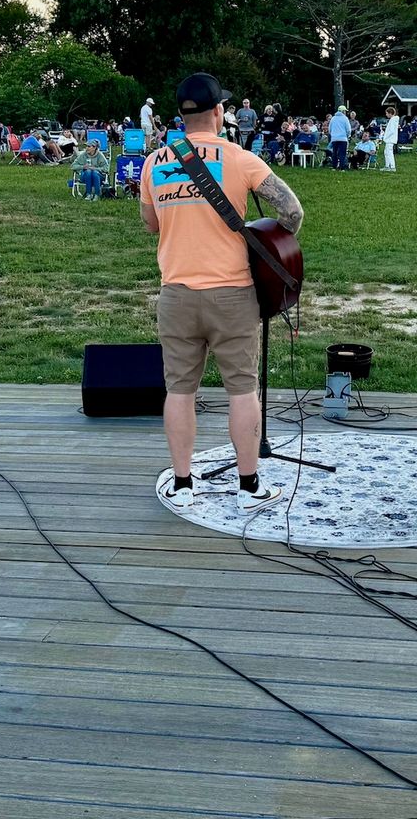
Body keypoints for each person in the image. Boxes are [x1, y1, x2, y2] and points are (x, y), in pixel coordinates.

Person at [141, 72, 304, 513]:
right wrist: (267, 239)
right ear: (218, 112)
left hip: (176, 293)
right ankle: (249, 487)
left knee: (179, 390)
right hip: (233, 294)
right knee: (242, 391)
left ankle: (182, 484)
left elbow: (151, 224)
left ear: (181, 116)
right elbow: (292, 211)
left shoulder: (154, 162)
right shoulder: (240, 158)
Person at [327, 105, 351, 171]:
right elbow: (348, 129)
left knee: (334, 153)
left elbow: (329, 129)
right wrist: (347, 135)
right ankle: (341, 167)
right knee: (342, 153)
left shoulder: (333, 118)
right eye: (345, 111)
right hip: (343, 138)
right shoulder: (345, 118)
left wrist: (333, 135)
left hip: (334, 138)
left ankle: (334, 167)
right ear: (343, 111)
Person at [380, 106, 399, 171]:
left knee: (389, 152)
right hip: (390, 139)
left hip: (390, 139)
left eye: (387, 113)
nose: (386, 115)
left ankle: (392, 167)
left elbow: (391, 131)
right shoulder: (392, 120)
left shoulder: (393, 120)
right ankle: (387, 166)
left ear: (390, 113)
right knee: (386, 152)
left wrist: (385, 137)